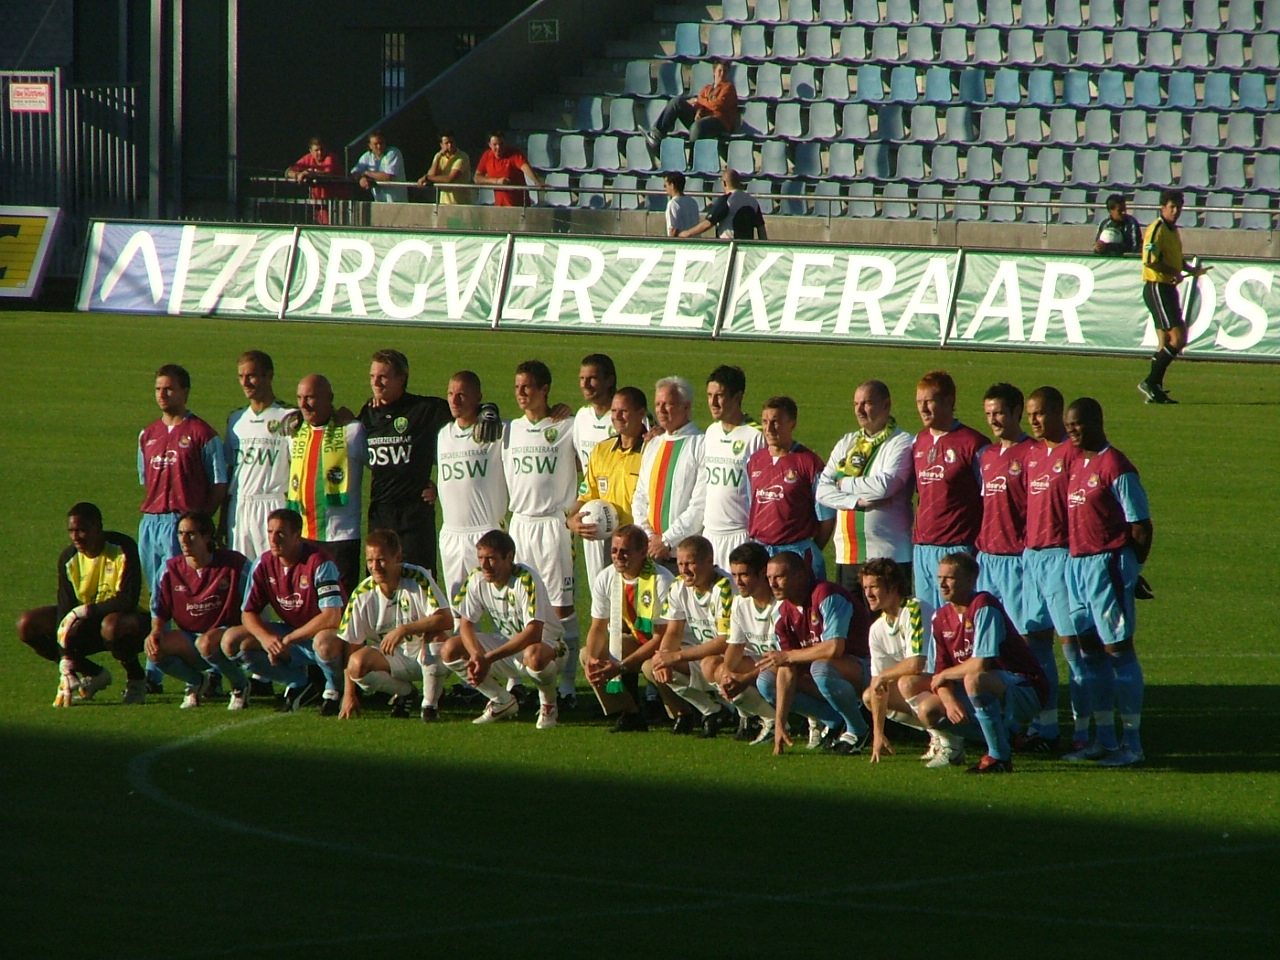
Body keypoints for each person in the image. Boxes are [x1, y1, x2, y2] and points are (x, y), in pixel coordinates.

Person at [1061, 398, 1153, 767]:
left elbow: (1141, 526)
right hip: (1077, 566)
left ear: (1097, 422)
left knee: (1119, 653)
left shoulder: (1116, 465)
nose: (1072, 431)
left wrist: (1132, 568)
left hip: (1106, 565)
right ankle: (1104, 739)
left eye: (1078, 425)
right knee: (1089, 653)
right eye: (1069, 426)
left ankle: (1132, 744)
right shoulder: (1079, 463)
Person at [899, 553, 1048, 774]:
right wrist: (949, 701)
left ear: (970, 580)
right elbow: (939, 672)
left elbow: (981, 664)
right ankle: (1005, 736)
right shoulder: (940, 618)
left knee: (974, 679)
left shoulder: (984, 605)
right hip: (980, 686)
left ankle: (999, 756)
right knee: (928, 710)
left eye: (950, 578)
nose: (942, 583)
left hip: (1023, 687)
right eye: (940, 577)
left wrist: (944, 676)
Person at [138, 363, 228, 691]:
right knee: (157, 598)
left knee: (191, 597)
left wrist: (201, 524)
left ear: (186, 391)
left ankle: (212, 671)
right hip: (151, 522)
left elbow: (219, 483)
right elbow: (145, 480)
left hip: (183, 522)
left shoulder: (203, 434)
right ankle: (155, 671)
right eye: (158, 389)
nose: (163, 395)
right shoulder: (147, 435)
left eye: (170, 389)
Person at [502, 360, 581, 701]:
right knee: (519, 605)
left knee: (561, 607)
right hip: (520, 524)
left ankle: (566, 685)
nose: (520, 393)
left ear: (544, 389)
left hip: (554, 526)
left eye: (528, 387)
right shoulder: (507, 430)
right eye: (517, 387)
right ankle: (515, 679)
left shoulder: (567, 426)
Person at [218, 508, 347, 714]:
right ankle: (298, 683)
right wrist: (267, 639)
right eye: (269, 532)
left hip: (324, 634)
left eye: (281, 533)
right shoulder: (263, 563)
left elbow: (332, 616)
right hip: (292, 632)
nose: (273, 539)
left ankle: (335, 690)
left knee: (324, 643)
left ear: (297, 536)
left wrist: (289, 640)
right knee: (231, 641)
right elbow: (248, 613)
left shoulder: (320, 562)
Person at [19, 503, 148, 705]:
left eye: (82, 530)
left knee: (112, 626)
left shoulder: (122, 548)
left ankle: (137, 679)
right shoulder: (68, 558)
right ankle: (94, 674)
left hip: (132, 622)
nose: (75, 537)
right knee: (27, 624)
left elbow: (127, 600)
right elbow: (65, 608)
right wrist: (66, 662)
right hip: (89, 621)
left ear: (98, 527)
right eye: (71, 531)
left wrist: (84, 611)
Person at [440, 530, 568, 728]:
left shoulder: (526, 579)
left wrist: (488, 658)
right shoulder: (477, 578)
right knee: (450, 649)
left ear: (509, 557)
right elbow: (466, 623)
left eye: (491, 558)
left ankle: (549, 705)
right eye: (481, 558)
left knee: (534, 655)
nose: (484, 565)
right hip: (507, 648)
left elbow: (534, 633)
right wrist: (476, 655)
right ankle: (501, 700)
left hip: (549, 646)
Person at [323, 529, 454, 721]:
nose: (375, 567)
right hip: (392, 658)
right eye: (370, 561)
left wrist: (404, 629)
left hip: (425, 653)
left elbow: (446, 619)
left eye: (381, 560)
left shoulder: (417, 577)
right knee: (356, 665)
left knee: (437, 636)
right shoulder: (362, 594)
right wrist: (349, 694)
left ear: (397, 557)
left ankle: (429, 705)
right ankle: (406, 693)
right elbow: (352, 645)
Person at [1022, 386, 1089, 751]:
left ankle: (1083, 731)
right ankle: (1045, 728)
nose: (1033, 419)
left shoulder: (1073, 453)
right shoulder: (1031, 454)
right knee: (1035, 648)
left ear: (1058, 413)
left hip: (1062, 559)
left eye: (1041, 413)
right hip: (1031, 558)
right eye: (1030, 413)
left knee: (1074, 650)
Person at [756, 551, 872, 756]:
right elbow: (786, 667)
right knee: (766, 681)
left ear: (800, 576)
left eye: (780, 577)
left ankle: (858, 729)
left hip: (864, 668)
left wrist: (789, 656)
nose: (772, 584)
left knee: (822, 668)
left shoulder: (826, 594)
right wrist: (780, 723)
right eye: (769, 578)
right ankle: (835, 721)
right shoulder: (783, 613)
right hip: (830, 673)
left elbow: (835, 647)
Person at [357, 349, 453, 576]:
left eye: (383, 376)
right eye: (372, 376)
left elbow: (466, 412)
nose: (376, 382)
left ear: (402, 378)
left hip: (415, 515)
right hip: (381, 513)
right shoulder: (368, 413)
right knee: (378, 580)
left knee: (419, 582)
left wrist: (443, 486)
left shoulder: (425, 410)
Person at [816, 379, 914, 596]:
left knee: (887, 626)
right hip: (848, 554)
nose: (859, 409)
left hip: (888, 555)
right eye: (855, 403)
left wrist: (842, 483)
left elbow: (884, 486)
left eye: (866, 403)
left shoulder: (902, 441)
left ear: (886, 405)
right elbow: (822, 490)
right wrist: (856, 502)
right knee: (852, 625)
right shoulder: (848, 442)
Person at [147, 512, 250, 709]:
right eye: (180, 533)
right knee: (154, 647)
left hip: (227, 636)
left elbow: (256, 598)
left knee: (206, 642)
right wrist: (155, 632)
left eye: (191, 534)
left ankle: (240, 686)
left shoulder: (234, 565)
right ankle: (195, 681)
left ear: (207, 537)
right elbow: (159, 610)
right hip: (190, 638)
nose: (184, 540)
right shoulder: (169, 570)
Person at [580, 524, 676, 731]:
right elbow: (597, 627)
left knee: (652, 666)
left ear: (643, 553)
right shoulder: (606, 577)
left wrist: (621, 666)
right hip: (639, 639)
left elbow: (661, 637)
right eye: (614, 551)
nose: (618, 556)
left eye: (625, 551)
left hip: (669, 645)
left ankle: (683, 714)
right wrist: (591, 659)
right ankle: (630, 712)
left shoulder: (661, 580)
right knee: (587, 655)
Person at [910, 370, 988, 610]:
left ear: (949, 401)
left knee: (960, 619)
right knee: (927, 621)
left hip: (957, 547)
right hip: (923, 548)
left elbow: (990, 498)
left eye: (929, 401)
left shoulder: (973, 444)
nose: (923, 409)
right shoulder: (918, 441)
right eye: (919, 402)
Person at [643, 536, 735, 736]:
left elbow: (725, 642)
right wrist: (664, 656)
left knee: (709, 664)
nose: (684, 570)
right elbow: (673, 630)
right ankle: (712, 711)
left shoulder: (725, 587)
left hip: (732, 655)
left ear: (708, 562)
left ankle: (747, 715)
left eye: (690, 564)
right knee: (653, 665)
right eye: (680, 564)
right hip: (702, 655)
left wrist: (675, 657)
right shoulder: (678, 586)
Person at [568, 386, 647, 613]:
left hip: (639, 545)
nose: (617, 417)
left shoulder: (653, 449)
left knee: (639, 610)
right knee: (607, 606)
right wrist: (571, 520)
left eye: (624, 411)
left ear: (641, 413)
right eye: (614, 411)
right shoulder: (601, 450)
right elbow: (587, 495)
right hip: (608, 544)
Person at [435, 370, 508, 605]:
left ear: (478, 397)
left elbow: (527, 426)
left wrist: (492, 410)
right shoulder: (443, 435)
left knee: (501, 606)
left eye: (462, 395)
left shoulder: (495, 431)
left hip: (486, 531)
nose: (454, 401)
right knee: (459, 610)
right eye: (450, 394)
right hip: (452, 535)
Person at [288, 374, 366, 591]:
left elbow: (382, 467)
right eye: (299, 397)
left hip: (341, 536)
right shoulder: (294, 435)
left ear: (329, 398)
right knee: (308, 602)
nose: (303, 404)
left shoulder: (352, 431)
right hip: (304, 535)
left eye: (310, 397)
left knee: (339, 604)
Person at [746, 395, 834, 581]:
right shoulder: (755, 461)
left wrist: (810, 550)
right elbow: (751, 506)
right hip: (761, 550)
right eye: (765, 421)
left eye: (776, 422)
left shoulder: (809, 463)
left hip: (795, 552)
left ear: (792, 423)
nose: (769, 428)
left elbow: (826, 517)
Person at [1138, 188, 1209, 405]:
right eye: (1172, 207)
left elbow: (1173, 260)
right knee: (1178, 338)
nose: (1176, 211)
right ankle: (1150, 382)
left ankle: (1154, 388)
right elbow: (1150, 260)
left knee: (1164, 343)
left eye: (1179, 206)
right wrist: (1174, 273)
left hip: (1166, 287)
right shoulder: (1157, 229)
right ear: (1163, 207)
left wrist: (1189, 269)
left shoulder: (1172, 229)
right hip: (1157, 286)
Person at [704, 541, 778, 744]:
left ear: (762, 573)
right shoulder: (740, 602)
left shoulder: (779, 604)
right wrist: (727, 675)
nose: (738, 582)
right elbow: (735, 645)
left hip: (783, 665)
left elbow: (784, 655)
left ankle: (805, 721)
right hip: (762, 663)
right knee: (719, 671)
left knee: (763, 677)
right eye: (734, 575)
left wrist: (744, 678)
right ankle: (769, 720)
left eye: (744, 575)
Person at [859, 558, 932, 763]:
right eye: (865, 587)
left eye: (874, 586)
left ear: (892, 586)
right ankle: (934, 732)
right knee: (869, 696)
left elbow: (917, 663)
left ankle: (947, 738)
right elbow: (878, 686)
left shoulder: (914, 609)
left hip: (943, 684)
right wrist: (878, 734)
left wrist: (884, 675)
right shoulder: (877, 629)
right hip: (920, 689)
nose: (868, 594)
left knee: (906, 682)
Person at [223, 350, 294, 561]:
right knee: (241, 572)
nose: (245, 382)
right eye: (240, 376)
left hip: (273, 504)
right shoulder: (236, 419)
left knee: (273, 570)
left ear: (268, 376)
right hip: (240, 506)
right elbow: (231, 470)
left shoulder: (288, 416)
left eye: (251, 376)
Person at [632, 376, 706, 564]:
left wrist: (667, 540)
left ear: (686, 407)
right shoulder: (654, 444)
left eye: (668, 404)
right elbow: (640, 496)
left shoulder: (701, 444)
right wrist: (649, 538)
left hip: (683, 557)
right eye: (657, 404)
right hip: (650, 552)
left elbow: (699, 505)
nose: (661, 410)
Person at [698, 365, 764, 570]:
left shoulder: (756, 435)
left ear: (738, 397)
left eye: (720, 396)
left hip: (740, 535)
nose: (713, 402)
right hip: (710, 534)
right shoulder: (711, 432)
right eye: (709, 395)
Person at [571, 354, 620, 612]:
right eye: (582, 378)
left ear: (609, 380)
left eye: (592, 379)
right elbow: (582, 464)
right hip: (593, 516)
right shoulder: (581, 418)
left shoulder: (626, 414)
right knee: (598, 589)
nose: (585, 385)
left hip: (623, 515)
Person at [646, 57, 740, 150]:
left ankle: (693, 161)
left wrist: (699, 101)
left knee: (697, 126)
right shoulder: (706, 89)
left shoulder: (729, 88)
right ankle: (657, 134)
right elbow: (701, 105)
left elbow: (717, 105)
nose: (722, 74)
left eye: (725, 71)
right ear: (714, 72)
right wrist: (699, 111)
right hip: (703, 119)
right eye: (720, 70)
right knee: (676, 102)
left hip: (719, 122)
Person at [678, 168, 766, 240]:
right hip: (747, 248)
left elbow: (708, 223)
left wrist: (687, 233)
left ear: (724, 183)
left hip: (728, 245)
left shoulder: (727, 200)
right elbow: (761, 229)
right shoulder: (752, 201)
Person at [285, 136, 350, 223]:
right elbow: (288, 171)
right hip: (318, 203)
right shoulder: (308, 158)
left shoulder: (330, 157)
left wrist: (311, 173)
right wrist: (298, 174)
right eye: (316, 150)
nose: (320, 153)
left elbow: (328, 174)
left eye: (322, 149)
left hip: (335, 203)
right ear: (311, 151)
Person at [473, 130, 544, 207]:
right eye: (495, 144)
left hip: (519, 206)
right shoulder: (487, 156)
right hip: (500, 206)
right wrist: (497, 181)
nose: (498, 147)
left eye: (501, 144)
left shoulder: (514, 153)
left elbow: (525, 167)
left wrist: (537, 182)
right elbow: (477, 178)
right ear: (489, 145)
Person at [350, 130, 407, 202]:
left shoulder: (393, 152)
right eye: (376, 144)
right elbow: (354, 172)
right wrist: (361, 179)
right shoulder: (367, 156)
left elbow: (388, 176)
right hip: (379, 203)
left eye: (381, 143)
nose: (379, 146)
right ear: (370, 146)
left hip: (397, 202)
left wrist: (367, 173)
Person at [417, 131, 472, 205]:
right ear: (441, 145)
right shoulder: (438, 156)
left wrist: (427, 178)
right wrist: (438, 158)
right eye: (447, 143)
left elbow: (450, 179)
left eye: (452, 142)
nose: (450, 145)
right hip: (444, 204)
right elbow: (431, 175)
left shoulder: (462, 157)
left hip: (461, 204)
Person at [664, 171, 701, 237]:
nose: (665, 188)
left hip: (681, 244)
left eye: (665, 185)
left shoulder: (673, 203)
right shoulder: (693, 201)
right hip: (695, 243)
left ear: (672, 186)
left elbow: (674, 229)